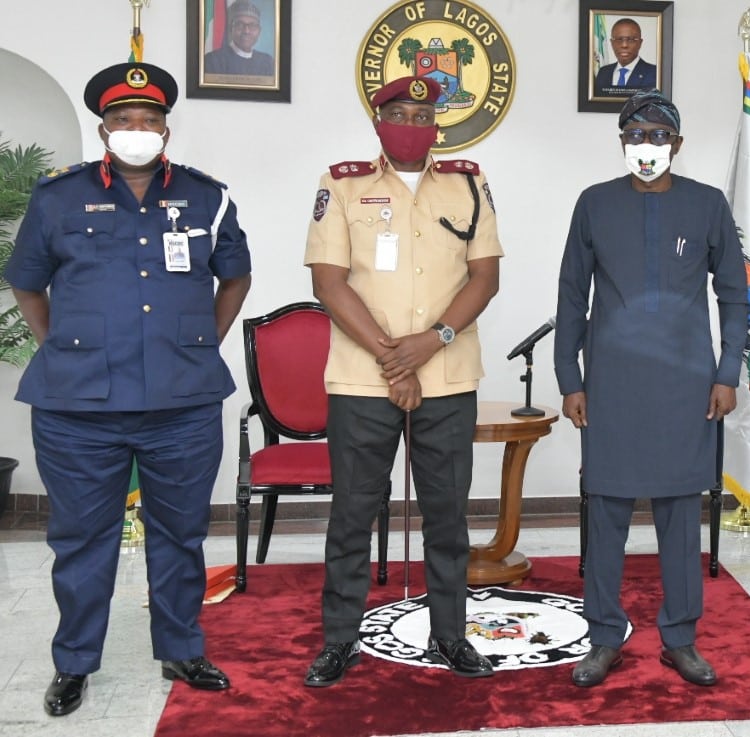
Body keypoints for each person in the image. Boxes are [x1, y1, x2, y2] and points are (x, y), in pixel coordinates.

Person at [5, 61, 253, 716]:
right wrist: (59, 345)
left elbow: (235, 275)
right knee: (81, 539)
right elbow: (27, 282)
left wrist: (203, 341)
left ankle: (180, 647)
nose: (136, 129)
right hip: (77, 407)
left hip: (182, 403)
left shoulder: (207, 197)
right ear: (104, 129)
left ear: (165, 129)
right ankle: (73, 661)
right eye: (123, 119)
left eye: (148, 119)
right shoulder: (58, 197)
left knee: (181, 533)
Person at [302, 74, 502, 687]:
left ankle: (450, 636)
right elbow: (328, 281)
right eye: (400, 114)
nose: (411, 124)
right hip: (362, 380)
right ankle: (341, 640)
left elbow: (485, 277)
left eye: (423, 115)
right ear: (378, 121)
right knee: (352, 514)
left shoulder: (469, 183)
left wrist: (431, 341)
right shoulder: (341, 184)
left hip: (447, 375)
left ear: (437, 125)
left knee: (447, 515)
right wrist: (395, 358)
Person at [554, 90, 749, 688]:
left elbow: (734, 296)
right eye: (636, 135)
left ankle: (680, 638)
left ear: (677, 144)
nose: (647, 146)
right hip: (611, 385)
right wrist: (570, 379)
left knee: (680, 515)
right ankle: (603, 637)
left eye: (659, 136)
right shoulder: (594, 203)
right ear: (621, 142)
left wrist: (727, 372)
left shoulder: (707, 204)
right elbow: (571, 295)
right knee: (606, 512)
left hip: (687, 387)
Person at [203, 0, 275, 77]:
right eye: (240, 24)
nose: (246, 31)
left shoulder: (267, 62)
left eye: (252, 25)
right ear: (231, 29)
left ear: (259, 31)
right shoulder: (212, 60)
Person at [593, 18, 657, 97]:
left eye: (630, 40)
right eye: (619, 39)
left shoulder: (654, 73)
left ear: (640, 43)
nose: (624, 45)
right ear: (612, 43)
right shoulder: (603, 72)